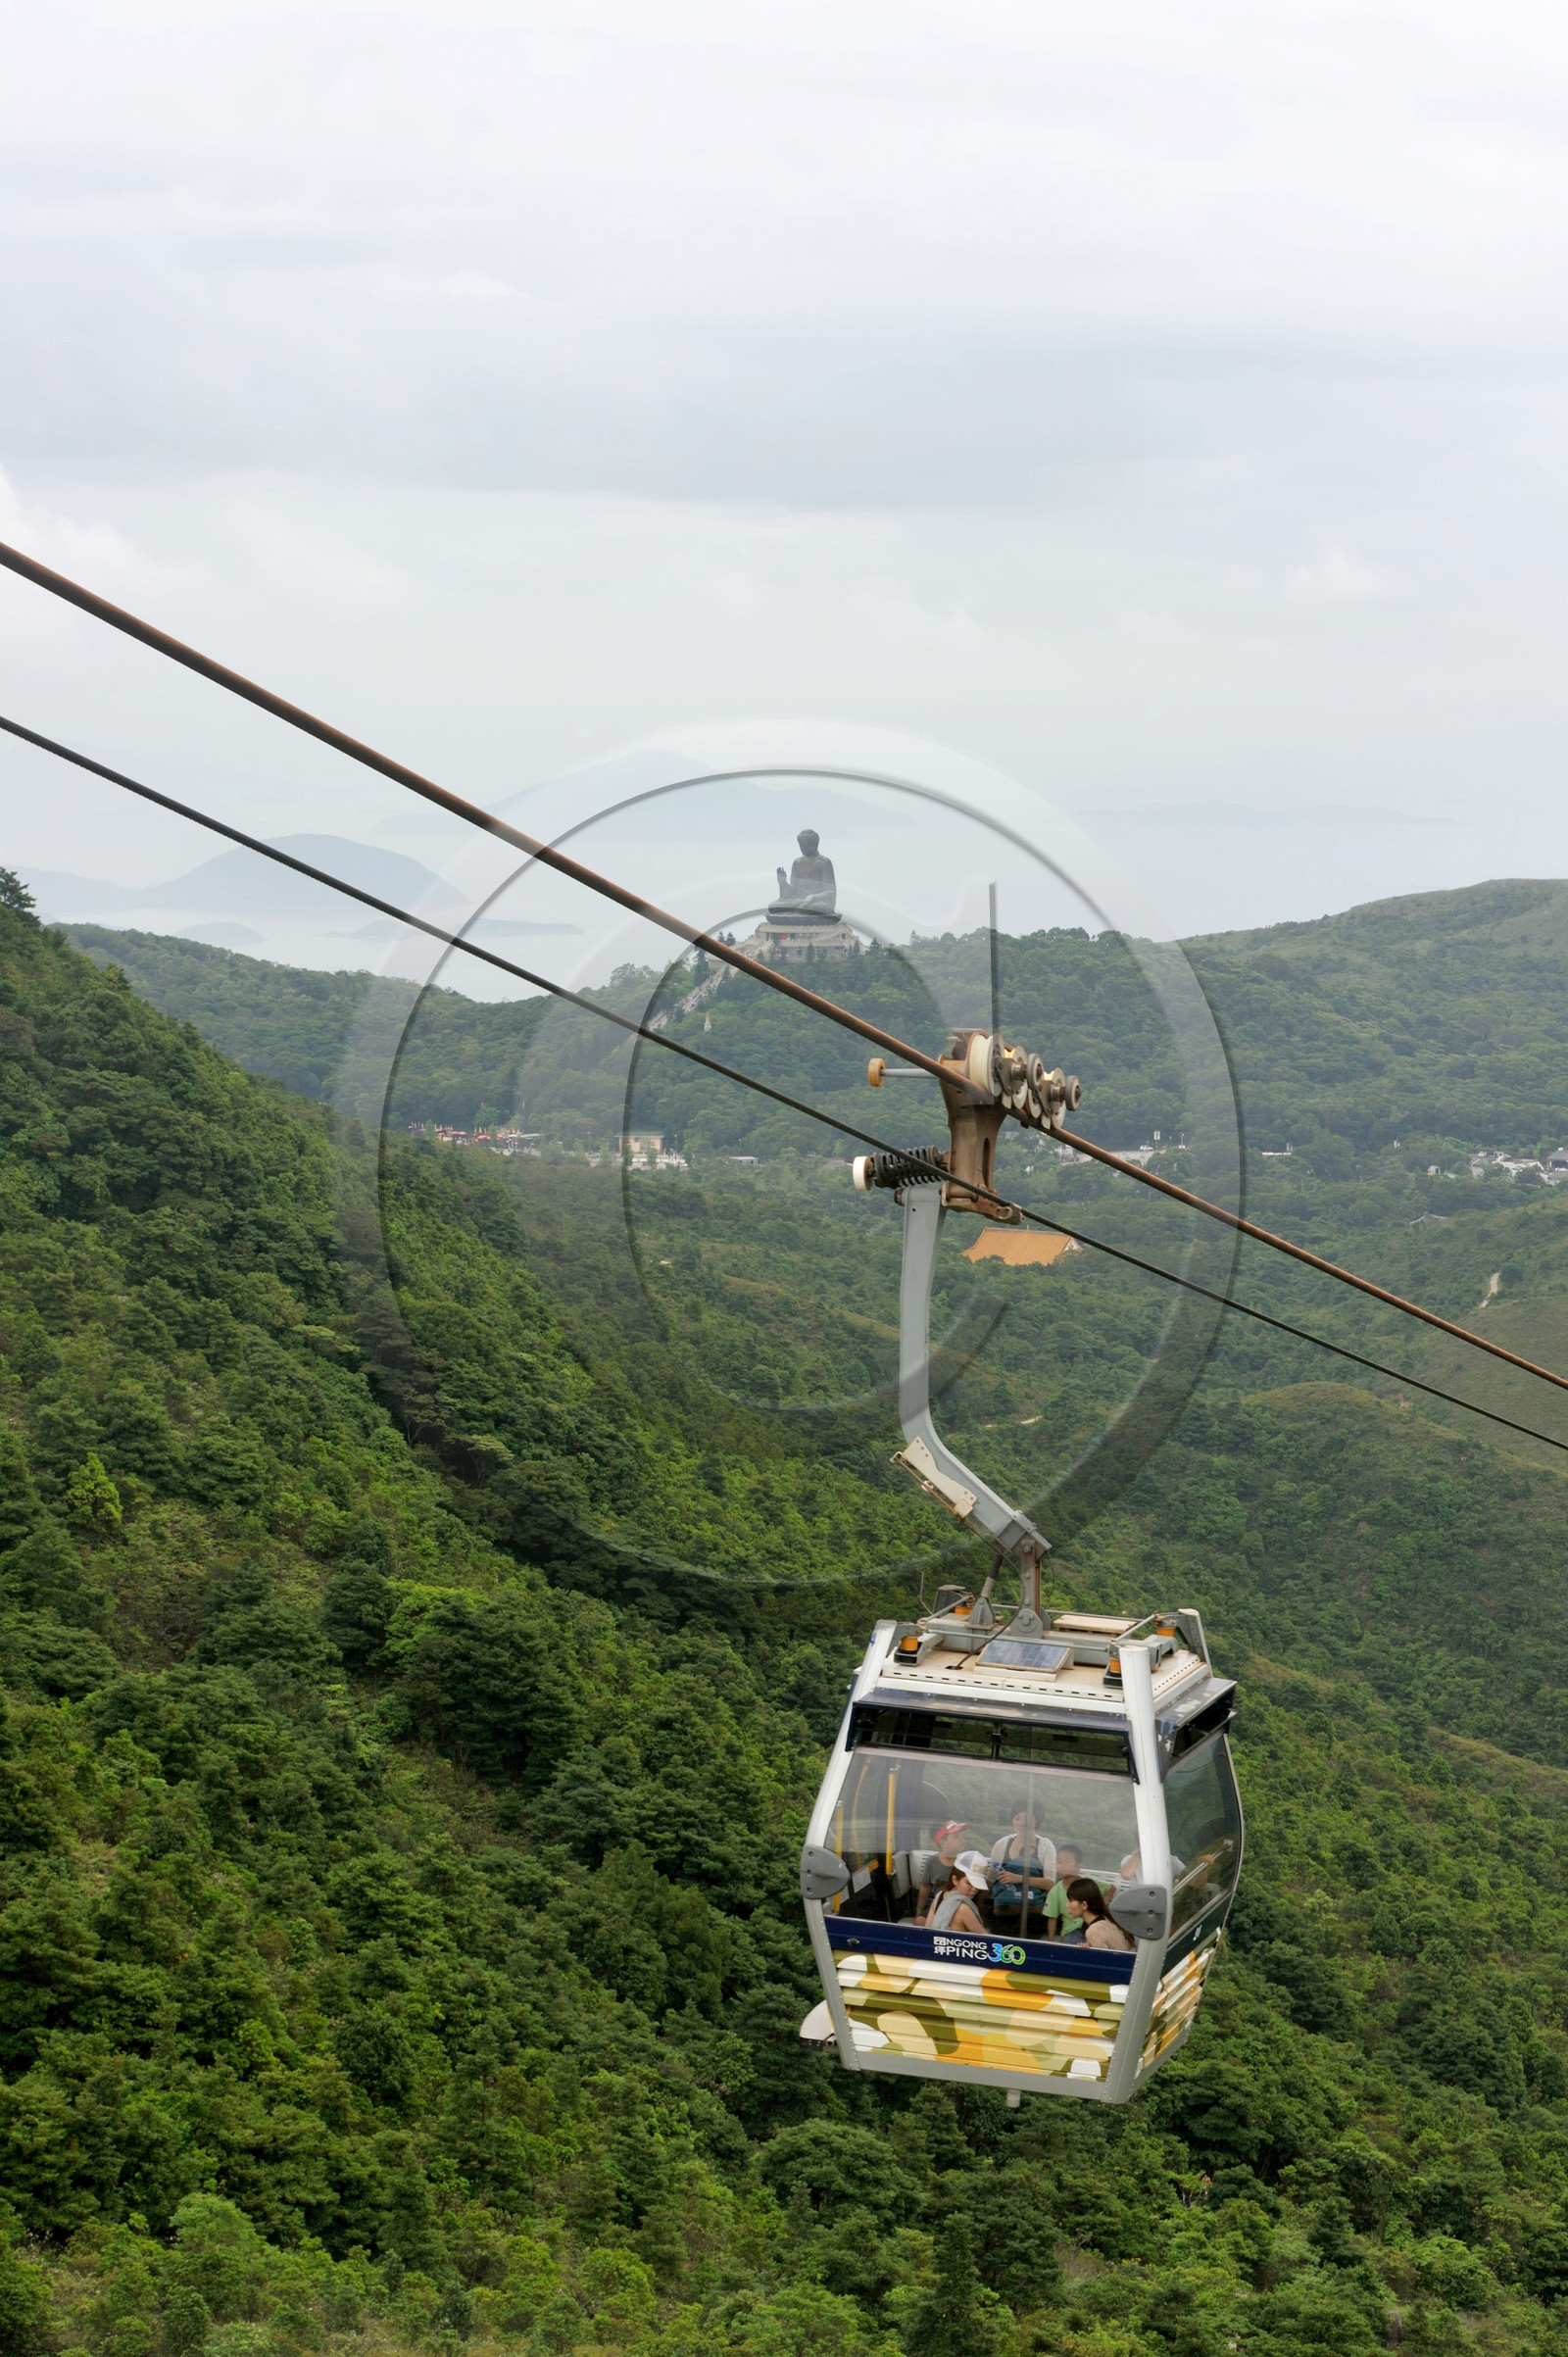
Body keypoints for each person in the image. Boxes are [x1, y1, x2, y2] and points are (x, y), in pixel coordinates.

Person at [990, 1808, 1055, 1931]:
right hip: (1004, 1912)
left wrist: (1018, 1878)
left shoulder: (1045, 1846)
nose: (1021, 1823)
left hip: (1033, 1914)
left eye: (1027, 1819)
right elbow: (991, 1879)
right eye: (1017, 1818)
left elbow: (1050, 1884)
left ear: (1037, 1820)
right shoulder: (1001, 1844)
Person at [924, 1851, 990, 1936]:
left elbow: (927, 1931)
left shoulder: (939, 1896)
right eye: (969, 1883)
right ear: (955, 1880)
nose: (974, 1889)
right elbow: (986, 1939)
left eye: (977, 1884)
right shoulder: (964, 1909)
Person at [1065, 1877, 1134, 1951]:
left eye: (1071, 1901)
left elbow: (1101, 1958)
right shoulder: (1107, 1919)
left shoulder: (1094, 1931)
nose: (1067, 1905)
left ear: (1084, 1905)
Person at [1042, 1843, 1091, 1940]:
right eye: (1059, 1862)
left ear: (1079, 1865)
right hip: (1070, 1931)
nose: (1062, 1866)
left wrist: (1101, 1906)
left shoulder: (1089, 1883)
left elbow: (1110, 1888)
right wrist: (1050, 1942)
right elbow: (1052, 1918)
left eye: (1067, 1862)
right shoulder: (1055, 1891)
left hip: (1092, 1928)